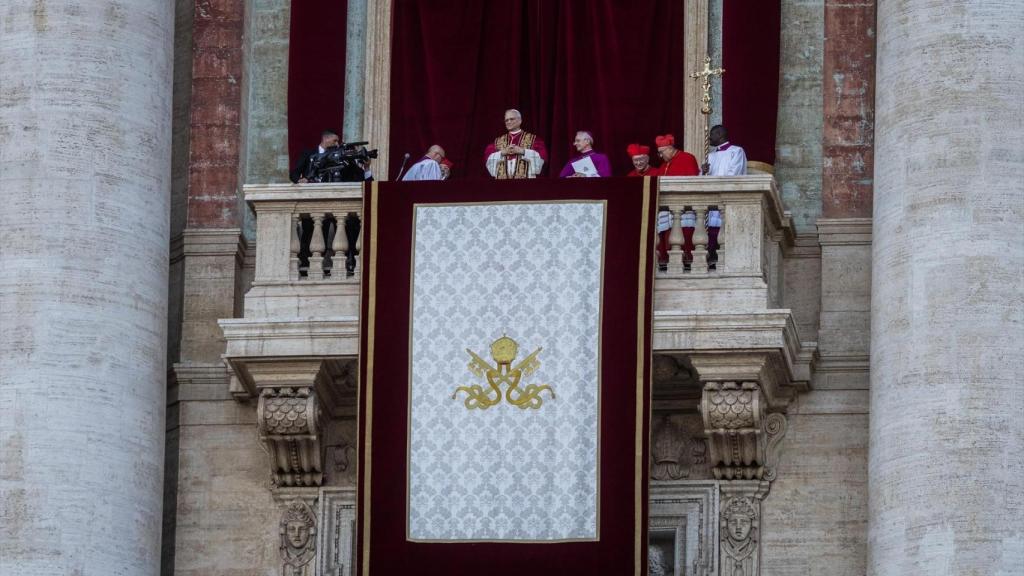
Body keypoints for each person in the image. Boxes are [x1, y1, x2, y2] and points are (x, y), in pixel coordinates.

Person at [484, 109, 548, 179]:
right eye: (506, 120)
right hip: (502, 186)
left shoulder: (533, 140)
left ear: (520, 121)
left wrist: (523, 151)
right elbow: (488, 161)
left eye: (512, 119)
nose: (509, 122)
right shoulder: (497, 142)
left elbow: (541, 160)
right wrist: (502, 152)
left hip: (525, 185)